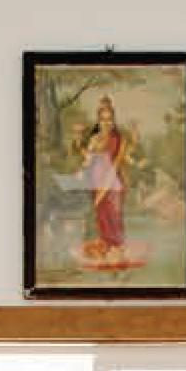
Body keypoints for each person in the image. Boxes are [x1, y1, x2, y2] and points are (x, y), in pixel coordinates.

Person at [77, 95, 132, 266]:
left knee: (113, 219)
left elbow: (115, 166)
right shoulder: (94, 139)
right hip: (96, 182)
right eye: (103, 119)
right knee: (101, 219)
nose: (106, 123)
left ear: (114, 120)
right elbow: (88, 160)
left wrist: (103, 191)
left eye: (110, 119)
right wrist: (78, 143)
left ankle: (117, 252)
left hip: (112, 184)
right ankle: (106, 251)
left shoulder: (120, 139)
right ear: (98, 121)